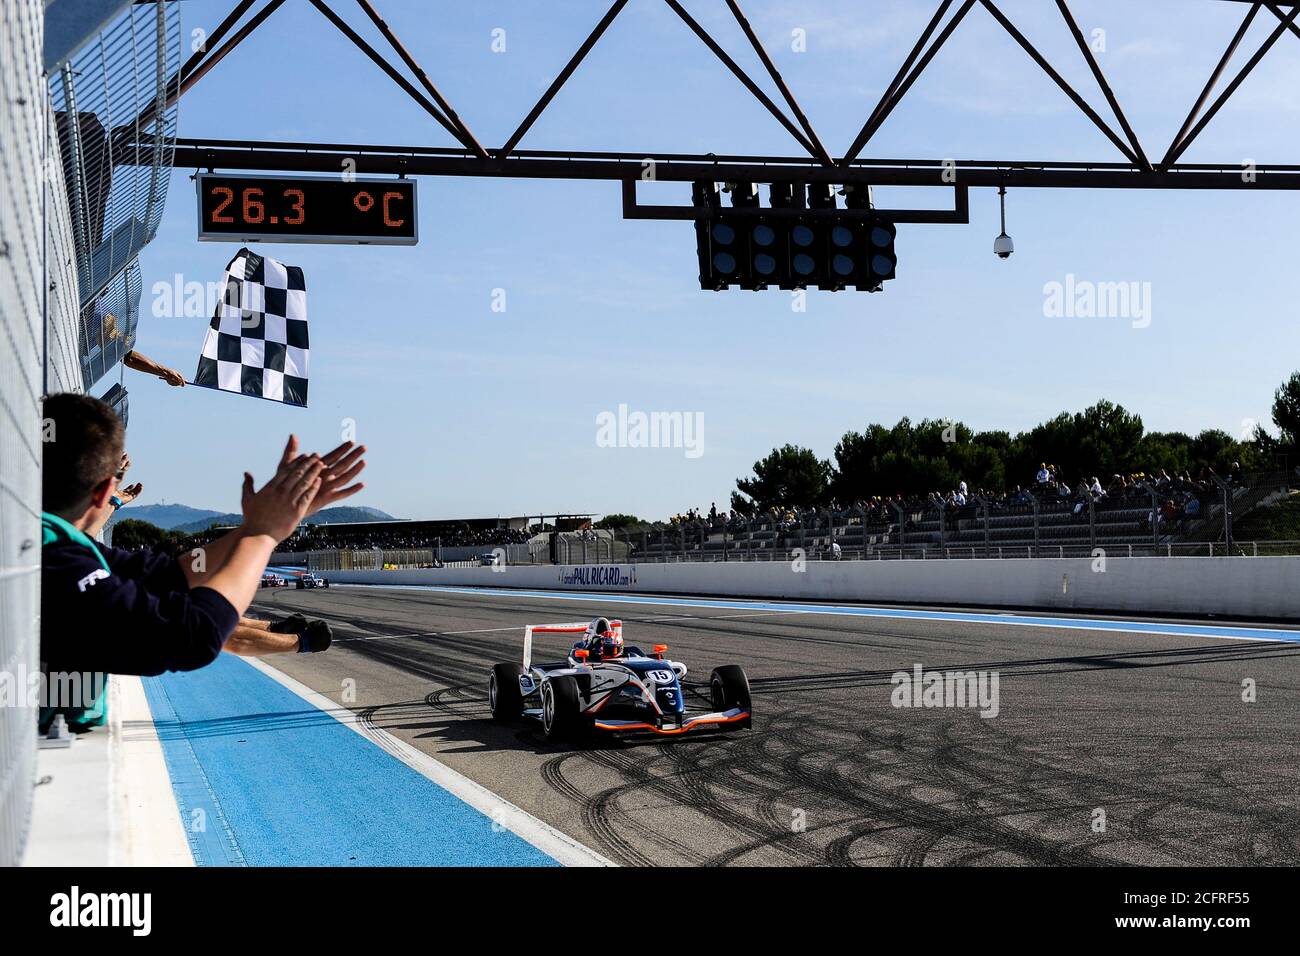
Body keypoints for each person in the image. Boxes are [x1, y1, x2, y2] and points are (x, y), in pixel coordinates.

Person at [40, 393, 365, 682]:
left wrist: (257, 525)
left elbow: (168, 575)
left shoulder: (51, 541)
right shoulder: (53, 560)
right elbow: (193, 636)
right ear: (104, 494)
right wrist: (264, 534)